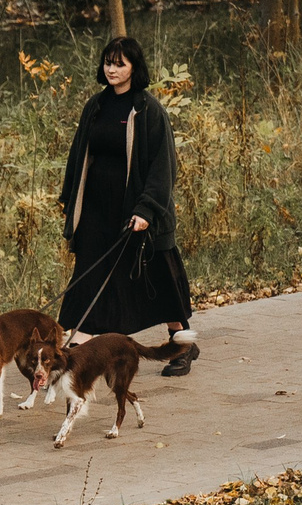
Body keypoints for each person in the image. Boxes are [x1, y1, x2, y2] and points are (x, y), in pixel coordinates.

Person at [55, 34, 199, 373]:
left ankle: (182, 345)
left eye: (119, 63)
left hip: (137, 209)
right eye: (108, 62)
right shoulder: (96, 106)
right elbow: (78, 155)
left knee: (159, 274)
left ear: (135, 67)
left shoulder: (148, 109)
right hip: (96, 209)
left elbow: (163, 166)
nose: (111, 69)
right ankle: (79, 349)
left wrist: (146, 209)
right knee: (88, 275)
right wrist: (69, 198)